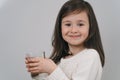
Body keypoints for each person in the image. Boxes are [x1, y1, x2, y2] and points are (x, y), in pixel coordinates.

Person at [25, 0, 105, 80]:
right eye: (68, 24)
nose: (74, 30)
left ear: (90, 27)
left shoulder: (91, 56)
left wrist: (51, 69)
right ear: (60, 28)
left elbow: (55, 73)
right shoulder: (60, 60)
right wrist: (37, 71)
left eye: (80, 24)